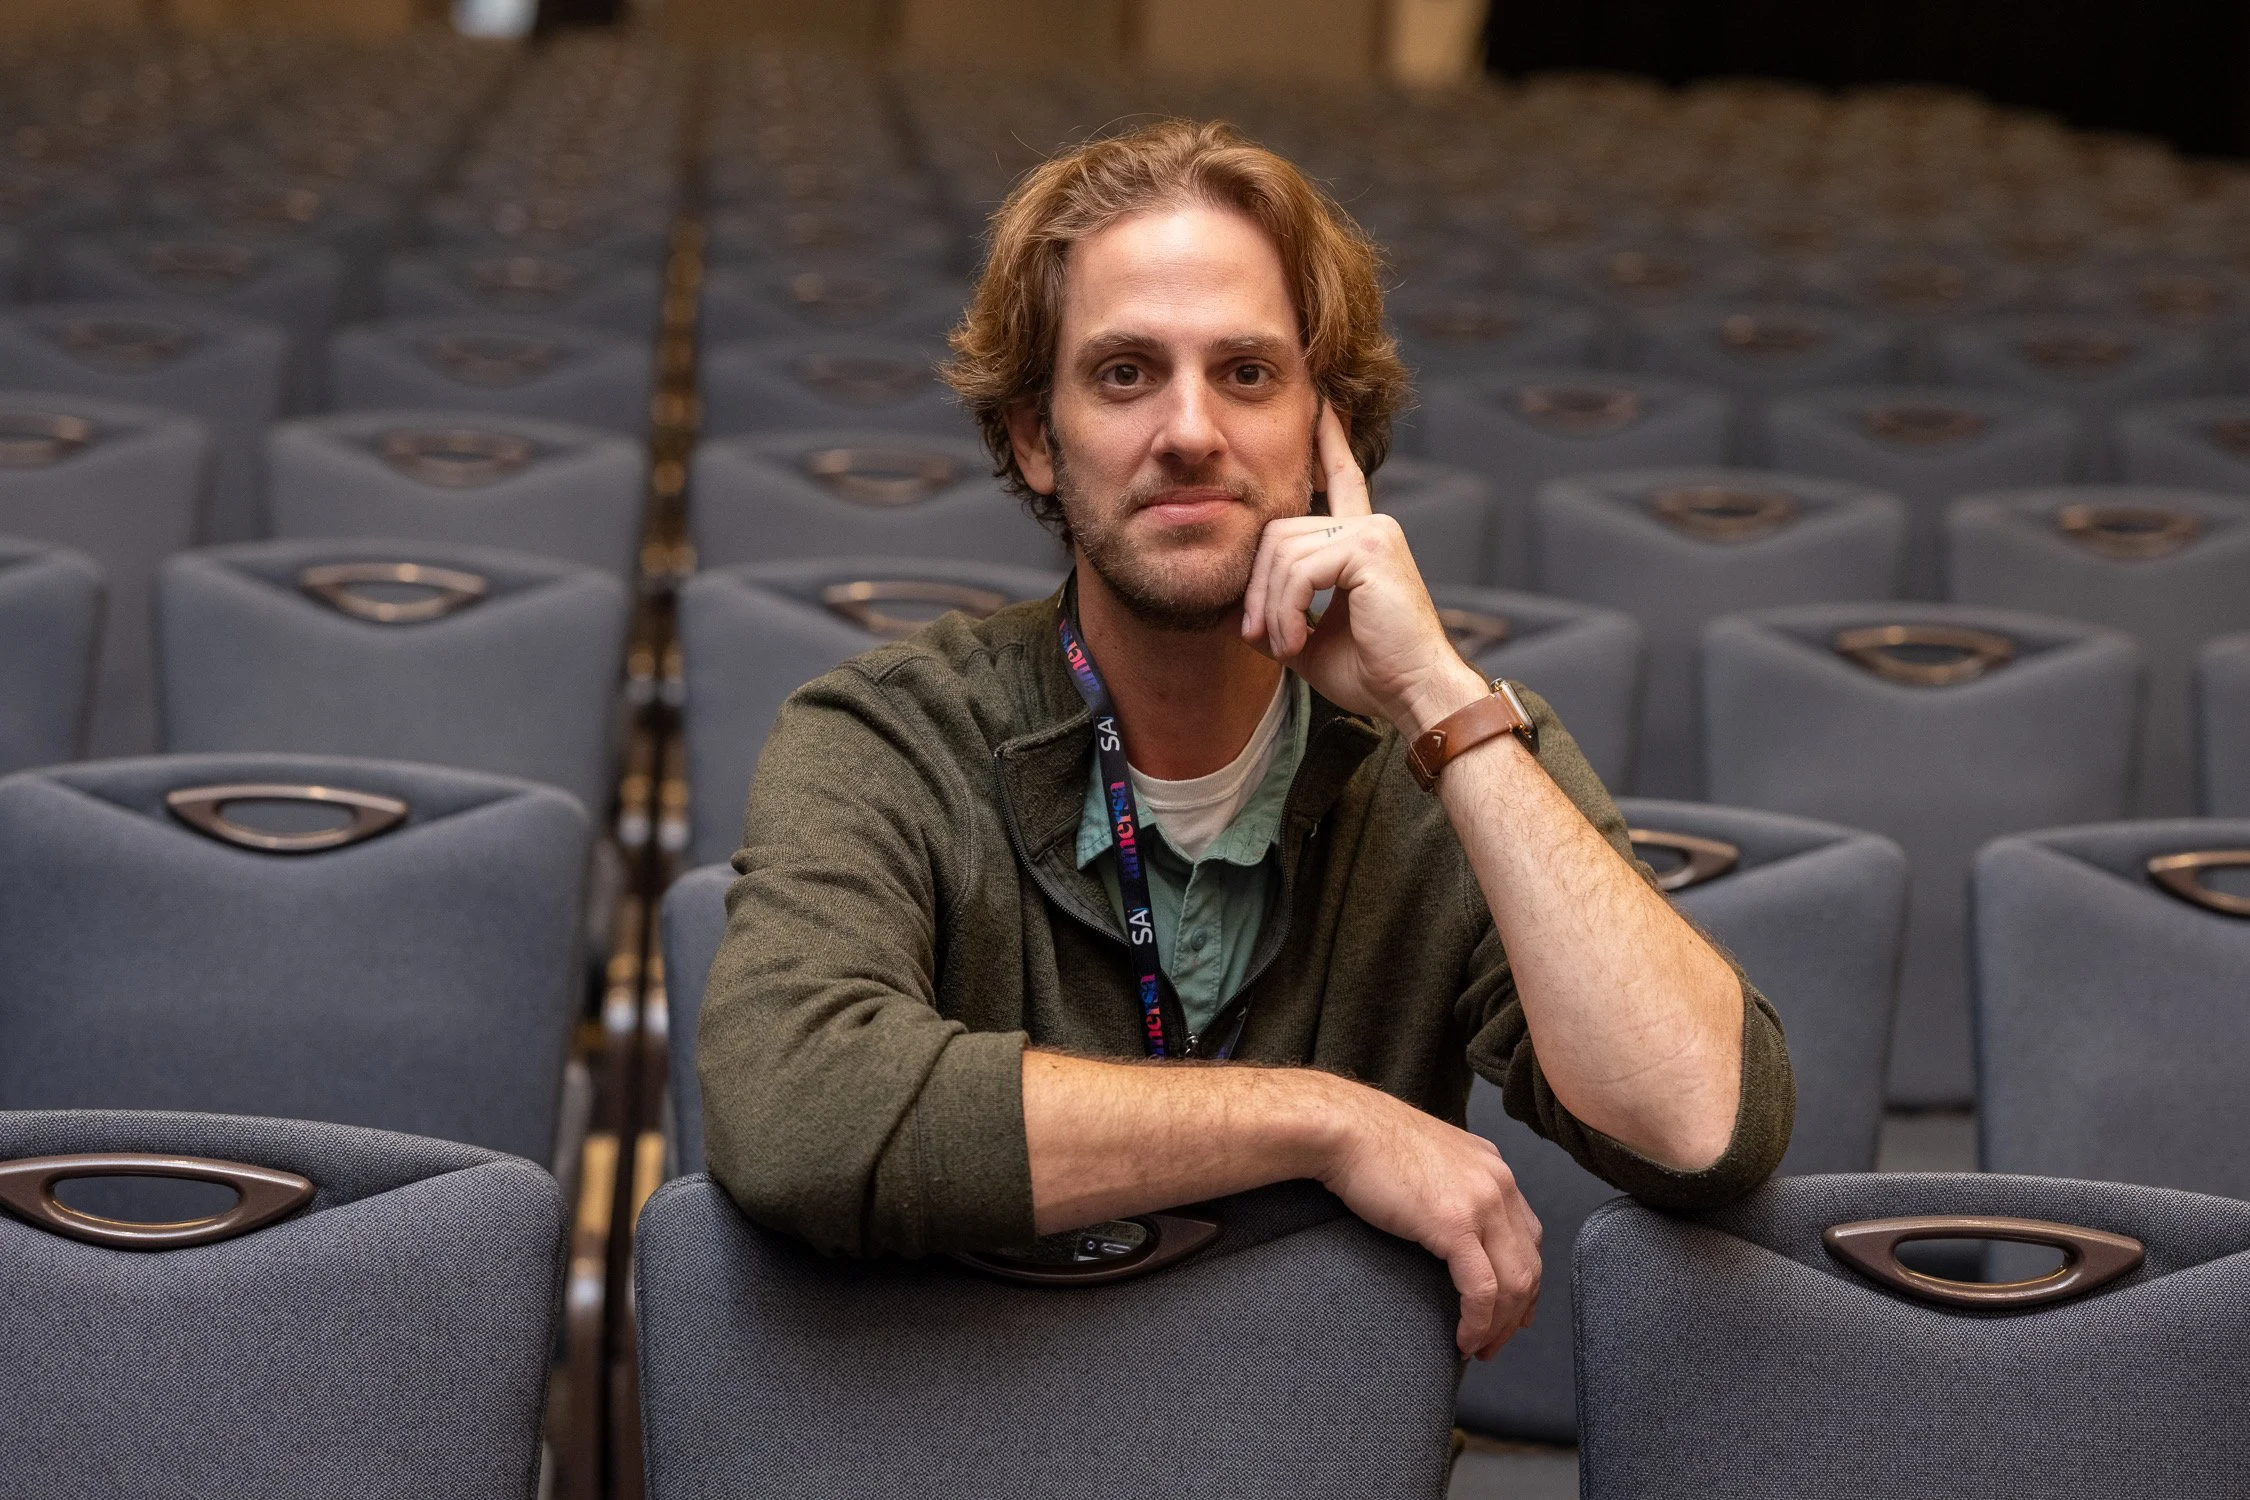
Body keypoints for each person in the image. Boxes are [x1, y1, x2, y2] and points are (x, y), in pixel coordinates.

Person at [698, 119, 1793, 1360]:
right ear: (1030, 437)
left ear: (1327, 432)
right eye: (1123, 373)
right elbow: (800, 1110)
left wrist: (1440, 701)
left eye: (1248, 373)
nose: (1189, 431)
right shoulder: (887, 734)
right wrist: (1325, 1120)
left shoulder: (1453, 748)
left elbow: (1705, 1128)